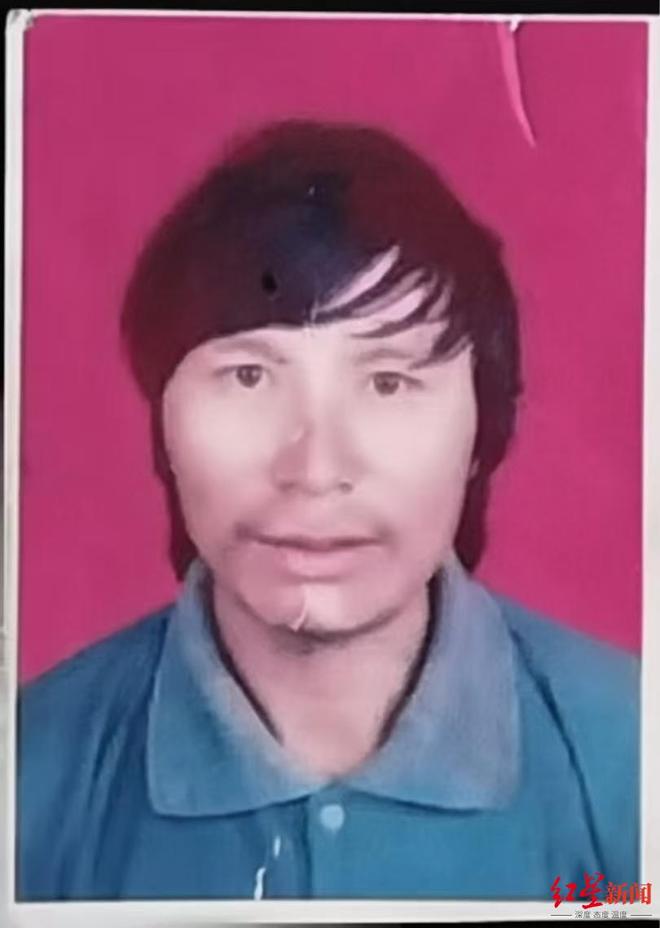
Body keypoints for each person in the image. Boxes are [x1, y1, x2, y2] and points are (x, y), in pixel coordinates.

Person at [17, 120, 639, 901]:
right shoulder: (29, 773)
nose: (315, 471)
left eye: (387, 383)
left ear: (483, 430)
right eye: (249, 376)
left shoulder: (630, 756)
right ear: (162, 423)